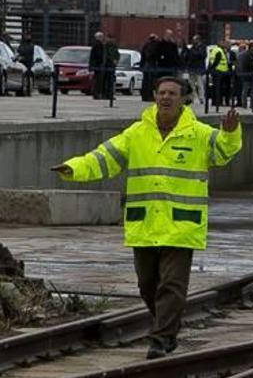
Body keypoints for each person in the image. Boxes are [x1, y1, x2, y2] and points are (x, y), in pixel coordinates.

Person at [50, 76, 242, 360]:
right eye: (162, 92)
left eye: (172, 94)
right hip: (145, 224)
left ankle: (161, 339)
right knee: (147, 284)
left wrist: (230, 132)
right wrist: (73, 168)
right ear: (154, 96)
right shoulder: (137, 133)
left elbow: (223, 151)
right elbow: (104, 158)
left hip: (181, 225)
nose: (166, 98)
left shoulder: (199, 134)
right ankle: (167, 325)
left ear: (183, 99)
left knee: (172, 285)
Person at [208, 42, 231, 107]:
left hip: (217, 72)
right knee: (218, 88)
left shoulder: (214, 50)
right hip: (219, 71)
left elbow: (211, 61)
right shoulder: (219, 51)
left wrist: (211, 69)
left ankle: (215, 102)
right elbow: (217, 61)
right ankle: (218, 102)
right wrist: (213, 68)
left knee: (215, 87)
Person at [185, 35, 207, 105]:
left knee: (200, 84)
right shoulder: (192, 47)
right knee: (192, 84)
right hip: (192, 68)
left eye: (194, 40)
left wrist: (194, 53)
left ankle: (201, 98)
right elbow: (189, 57)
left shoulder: (202, 47)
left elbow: (202, 55)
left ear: (198, 40)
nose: (193, 41)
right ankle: (195, 97)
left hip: (199, 68)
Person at [237, 42, 253, 110]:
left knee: (252, 90)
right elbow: (247, 64)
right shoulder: (247, 54)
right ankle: (245, 104)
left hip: (251, 74)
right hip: (248, 74)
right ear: (251, 47)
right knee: (246, 90)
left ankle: (252, 104)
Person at [88, 32, 107, 100]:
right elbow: (98, 56)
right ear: (98, 37)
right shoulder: (98, 45)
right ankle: (97, 94)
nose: (103, 38)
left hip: (97, 65)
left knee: (98, 81)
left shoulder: (97, 44)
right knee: (98, 81)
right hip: (98, 65)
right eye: (102, 37)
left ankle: (97, 94)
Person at [141, 34, 159, 102]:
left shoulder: (145, 45)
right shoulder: (154, 46)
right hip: (151, 66)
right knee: (150, 82)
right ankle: (149, 96)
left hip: (146, 66)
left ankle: (145, 96)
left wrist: (142, 65)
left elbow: (142, 56)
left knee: (146, 82)